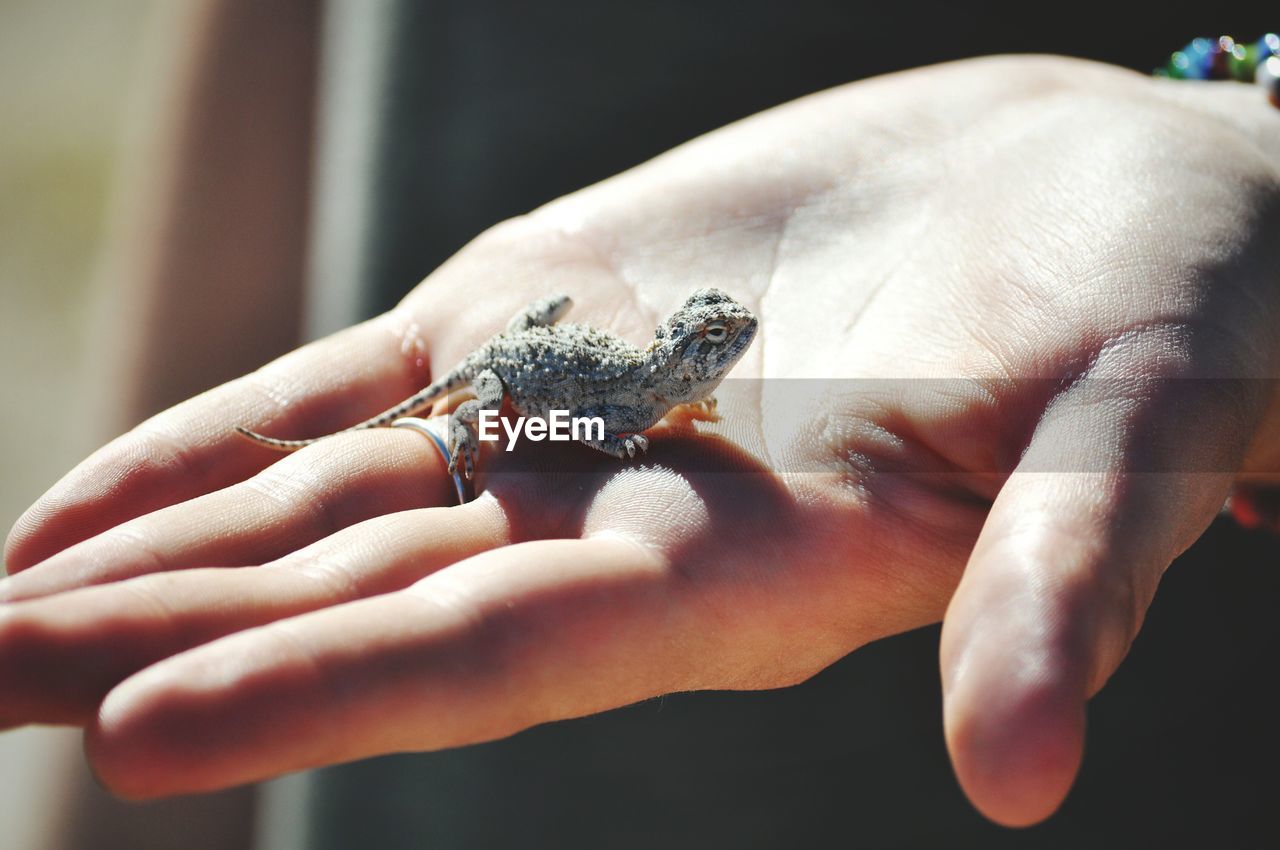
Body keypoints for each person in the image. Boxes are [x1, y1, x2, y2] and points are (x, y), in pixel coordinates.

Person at [3, 2, 1279, 845]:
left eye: (721, 346)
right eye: (713, 345)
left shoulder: (671, 387)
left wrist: (1242, 125)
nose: (724, 356)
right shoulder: (637, 398)